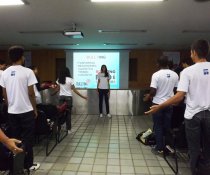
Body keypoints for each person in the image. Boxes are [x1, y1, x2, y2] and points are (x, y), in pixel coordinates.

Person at [145, 39, 210, 175]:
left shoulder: (187, 71)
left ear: (193, 52)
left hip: (192, 115)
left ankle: (161, 148)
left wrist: (159, 105)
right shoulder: (175, 74)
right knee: (207, 145)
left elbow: (179, 95)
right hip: (206, 113)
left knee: (193, 147)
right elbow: (176, 92)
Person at [0, 46, 40, 171]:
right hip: (26, 111)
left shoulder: (5, 72)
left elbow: (4, 93)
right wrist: (35, 109)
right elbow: (31, 93)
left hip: (12, 112)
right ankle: (28, 165)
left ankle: (17, 167)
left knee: (15, 138)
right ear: (22, 57)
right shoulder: (28, 72)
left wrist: (9, 105)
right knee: (28, 139)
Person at [143, 56, 179, 154]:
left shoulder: (156, 75)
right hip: (169, 104)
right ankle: (168, 147)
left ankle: (159, 148)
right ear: (168, 63)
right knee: (167, 126)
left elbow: (153, 91)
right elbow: (176, 90)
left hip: (157, 104)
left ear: (158, 64)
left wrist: (148, 96)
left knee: (158, 126)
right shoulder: (175, 74)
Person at [53, 67, 87, 134]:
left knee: (60, 113)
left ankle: (59, 129)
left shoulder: (59, 79)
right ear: (67, 72)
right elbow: (74, 90)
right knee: (68, 114)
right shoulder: (70, 80)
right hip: (68, 98)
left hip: (61, 98)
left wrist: (52, 94)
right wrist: (83, 97)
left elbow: (57, 89)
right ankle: (68, 130)